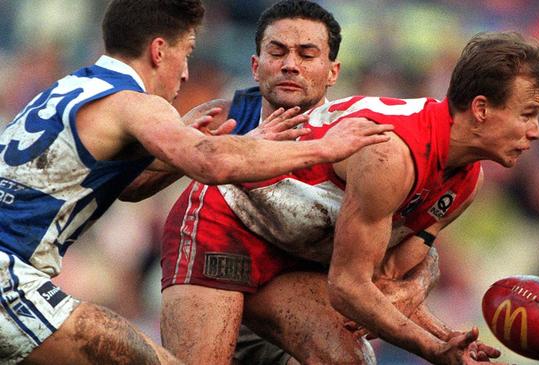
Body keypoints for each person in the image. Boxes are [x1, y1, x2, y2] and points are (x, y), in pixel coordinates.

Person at [0, 0, 394, 363]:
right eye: (185, 53)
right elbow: (212, 162)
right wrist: (326, 148)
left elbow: (130, 186)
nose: (186, 72)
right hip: (8, 275)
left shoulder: (73, 87)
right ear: (159, 51)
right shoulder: (134, 102)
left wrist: (180, 153)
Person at [160, 30, 539, 364]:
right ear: (480, 109)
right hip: (226, 225)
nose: (535, 132)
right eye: (527, 114)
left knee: (353, 360)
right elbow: (348, 287)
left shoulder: (465, 184)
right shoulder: (391, 152)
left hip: (293, 258)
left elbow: (386, 278)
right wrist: (433, 348)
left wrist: (450, 337)